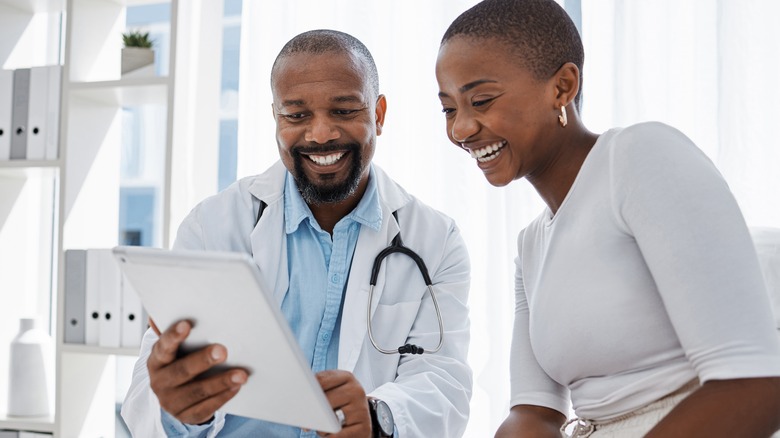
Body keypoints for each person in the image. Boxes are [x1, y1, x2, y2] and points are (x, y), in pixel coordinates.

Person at [435, 1, 780, 437]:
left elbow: (754, 385)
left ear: (562, 87)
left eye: (480, 101)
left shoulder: (640, 157)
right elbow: (534, 414)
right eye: (448, 109)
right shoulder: (531, 244)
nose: (461, 129)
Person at [122, 29, 472, 438]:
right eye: (297, 115)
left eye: (343, 111)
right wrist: (182, 408)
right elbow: (146, 397)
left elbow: (443, 381)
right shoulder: (212, 226)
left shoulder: (435, 239)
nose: (320, 134)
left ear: (378, 114)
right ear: (275, 118)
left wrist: (378, 418)